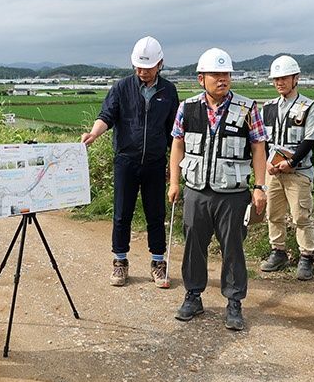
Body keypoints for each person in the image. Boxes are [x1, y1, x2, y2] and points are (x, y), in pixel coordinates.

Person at [167, 48, 268, 331]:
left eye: (226, 74)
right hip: (197, 190)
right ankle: (193, 296)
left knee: (233, 247)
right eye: (216, 74)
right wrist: (174, 182)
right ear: (201, 79)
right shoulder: (187, 108)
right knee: (193, 246)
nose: (222, 79)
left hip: (233, 193)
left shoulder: (248, 109)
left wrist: (260, 187)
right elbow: (178, 144)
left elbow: (259, 148)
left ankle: (234, 302)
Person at [81, 36, 181, 288]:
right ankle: (120, 262)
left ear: (160, 64)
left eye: (147, 67)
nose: (142, 72)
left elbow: (174, 133)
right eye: (138, 67)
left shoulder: (168, 91)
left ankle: (158, 263)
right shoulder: (122, 87)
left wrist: (175, 166)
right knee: (121, 213)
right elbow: (107, 115)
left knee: (156, 213)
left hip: (156, 162)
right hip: (126, 160)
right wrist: (94, 133)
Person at [258, 55, 314, 279]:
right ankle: (278, 252)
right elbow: (262, 140)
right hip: (273, 172)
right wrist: (267, 163)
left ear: (296, 78)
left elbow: (310, 139)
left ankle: (306, 256)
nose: (279, 83)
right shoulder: (267, 108)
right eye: (276, 79)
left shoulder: (309, 107)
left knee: (301, 215)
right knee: (273, 213)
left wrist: (292, 162)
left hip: (299, 171)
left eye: (284, 78)